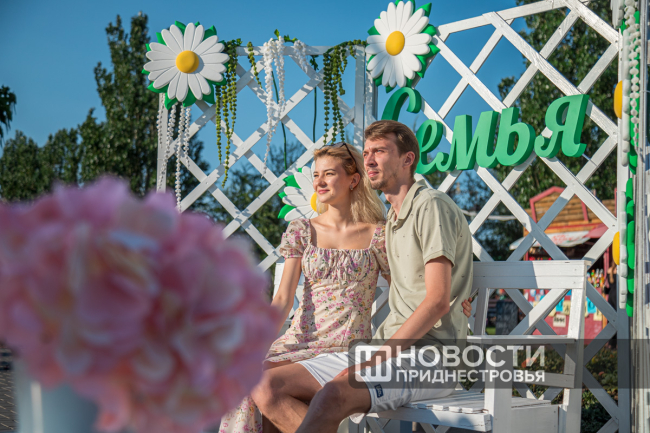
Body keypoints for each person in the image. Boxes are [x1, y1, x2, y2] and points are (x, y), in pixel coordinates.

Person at [220, 141, 472, 433]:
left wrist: (458, 298)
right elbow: (283, 300)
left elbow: (408, 287)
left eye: (329, 174)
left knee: (262, 387)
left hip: (348, 345)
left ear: (353, 180)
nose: (319, 181)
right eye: (316, 174)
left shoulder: (378, 235)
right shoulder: (302, 231)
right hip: (299, 340)